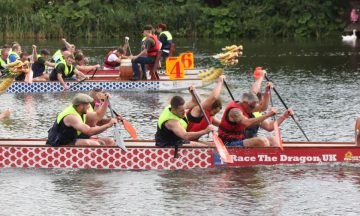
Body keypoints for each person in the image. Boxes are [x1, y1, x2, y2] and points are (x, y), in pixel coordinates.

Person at [47, 93, 118, 146]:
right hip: (60, 141)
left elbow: (98, 116)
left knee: (110, 141)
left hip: (73, 136)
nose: (89, 106)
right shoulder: (71, 117)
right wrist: (108, 125)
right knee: (95, 144)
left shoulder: (81, 111)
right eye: (87, 104)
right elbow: (89, 131)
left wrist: (106, 102)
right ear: (81, 105)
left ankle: (104, 160)